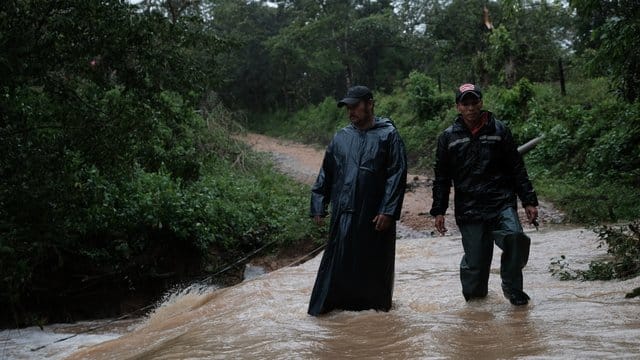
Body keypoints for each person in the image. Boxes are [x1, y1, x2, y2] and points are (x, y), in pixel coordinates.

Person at [429, 83, 539, 306]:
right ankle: (476, 306)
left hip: (501, 202)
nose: (470, 107)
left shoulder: (500, 130)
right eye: (465, 103)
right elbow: (442, 177)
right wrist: (438, 210)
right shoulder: (448, 138)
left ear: (481, 102)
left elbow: (516, 167)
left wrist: (528, 201)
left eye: (474, 102)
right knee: (476, 263)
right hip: (469, 207)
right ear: (458, 107)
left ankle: (512, 287)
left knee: (516, 237)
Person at [308, 85, 407, 316]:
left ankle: (374, 316)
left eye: (355, 106)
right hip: (343, 214)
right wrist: (318, 204)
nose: (350, 111)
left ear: (370, 104)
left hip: (375, 218)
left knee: (372, 268)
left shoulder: (388, 135)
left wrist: (388, 211)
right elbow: (326, 172)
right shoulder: (341, 137)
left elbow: (397, 174)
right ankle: (331, 313)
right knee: (337, 266)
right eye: (348, 107)